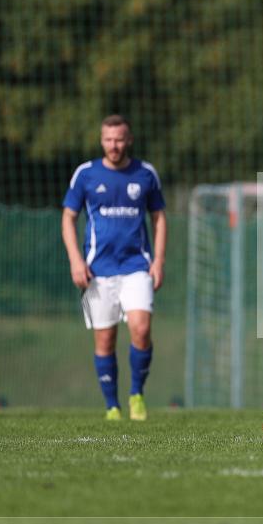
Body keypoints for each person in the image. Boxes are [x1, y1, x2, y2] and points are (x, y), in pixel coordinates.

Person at [61, 115, 167, 421]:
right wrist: (75, 260)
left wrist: (158, 260)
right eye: (108, 139)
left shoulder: (145, 174)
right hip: (98, 270)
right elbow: (68, 217)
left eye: (119, 139)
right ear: (101, 140)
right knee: (105, 340)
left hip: (137, 266)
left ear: (129, 140)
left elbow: (159, 218)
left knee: (141, 328)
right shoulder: (86, 174)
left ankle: (136, 395)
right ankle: (112, 406)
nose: (114, 145)